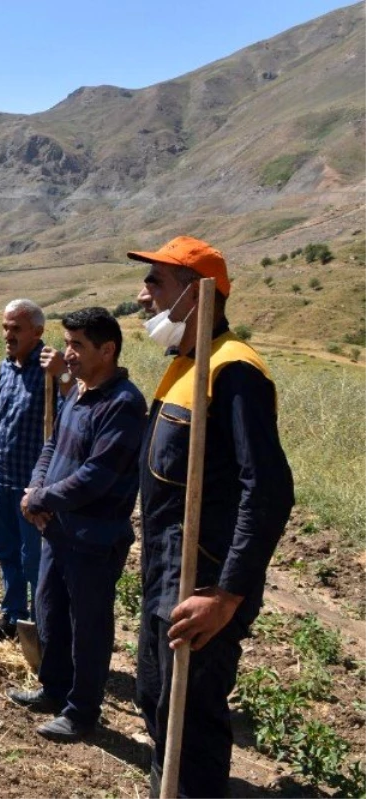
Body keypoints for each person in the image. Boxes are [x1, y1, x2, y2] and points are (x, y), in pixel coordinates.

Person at [129, 236, 293, 797]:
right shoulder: (185, 363)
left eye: (156, 283)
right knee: (155, 700)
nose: (143, 295)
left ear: (195, 295)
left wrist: (226, 596)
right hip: (164, 572)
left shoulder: (235, 370)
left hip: (202, 582)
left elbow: (268, 490)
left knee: (191, 725)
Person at [6, 307, 146, 742]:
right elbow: (52, 447)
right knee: (52, 615)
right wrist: (35, 488)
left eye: (77, 345)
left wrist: (40, 499)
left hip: (94, 538)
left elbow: (96, 477)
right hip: (58, 529)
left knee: (88, 627)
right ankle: (54, 689)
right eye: (66, 343)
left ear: (108, 350)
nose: (67, 354)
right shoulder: (80, 391)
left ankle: (82, 710)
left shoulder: (123, 404)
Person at [0, 299, 74, 639]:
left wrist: (62, 373)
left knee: (34, 558)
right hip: (0, 476)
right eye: (5, 327)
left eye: (16, 329)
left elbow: (75, 402)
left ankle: (40, 624)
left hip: (32, 486)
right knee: (5, 550)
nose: (8, 334)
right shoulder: (6, 367)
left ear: (38, 332)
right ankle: (12, 616)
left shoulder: (50, 370)